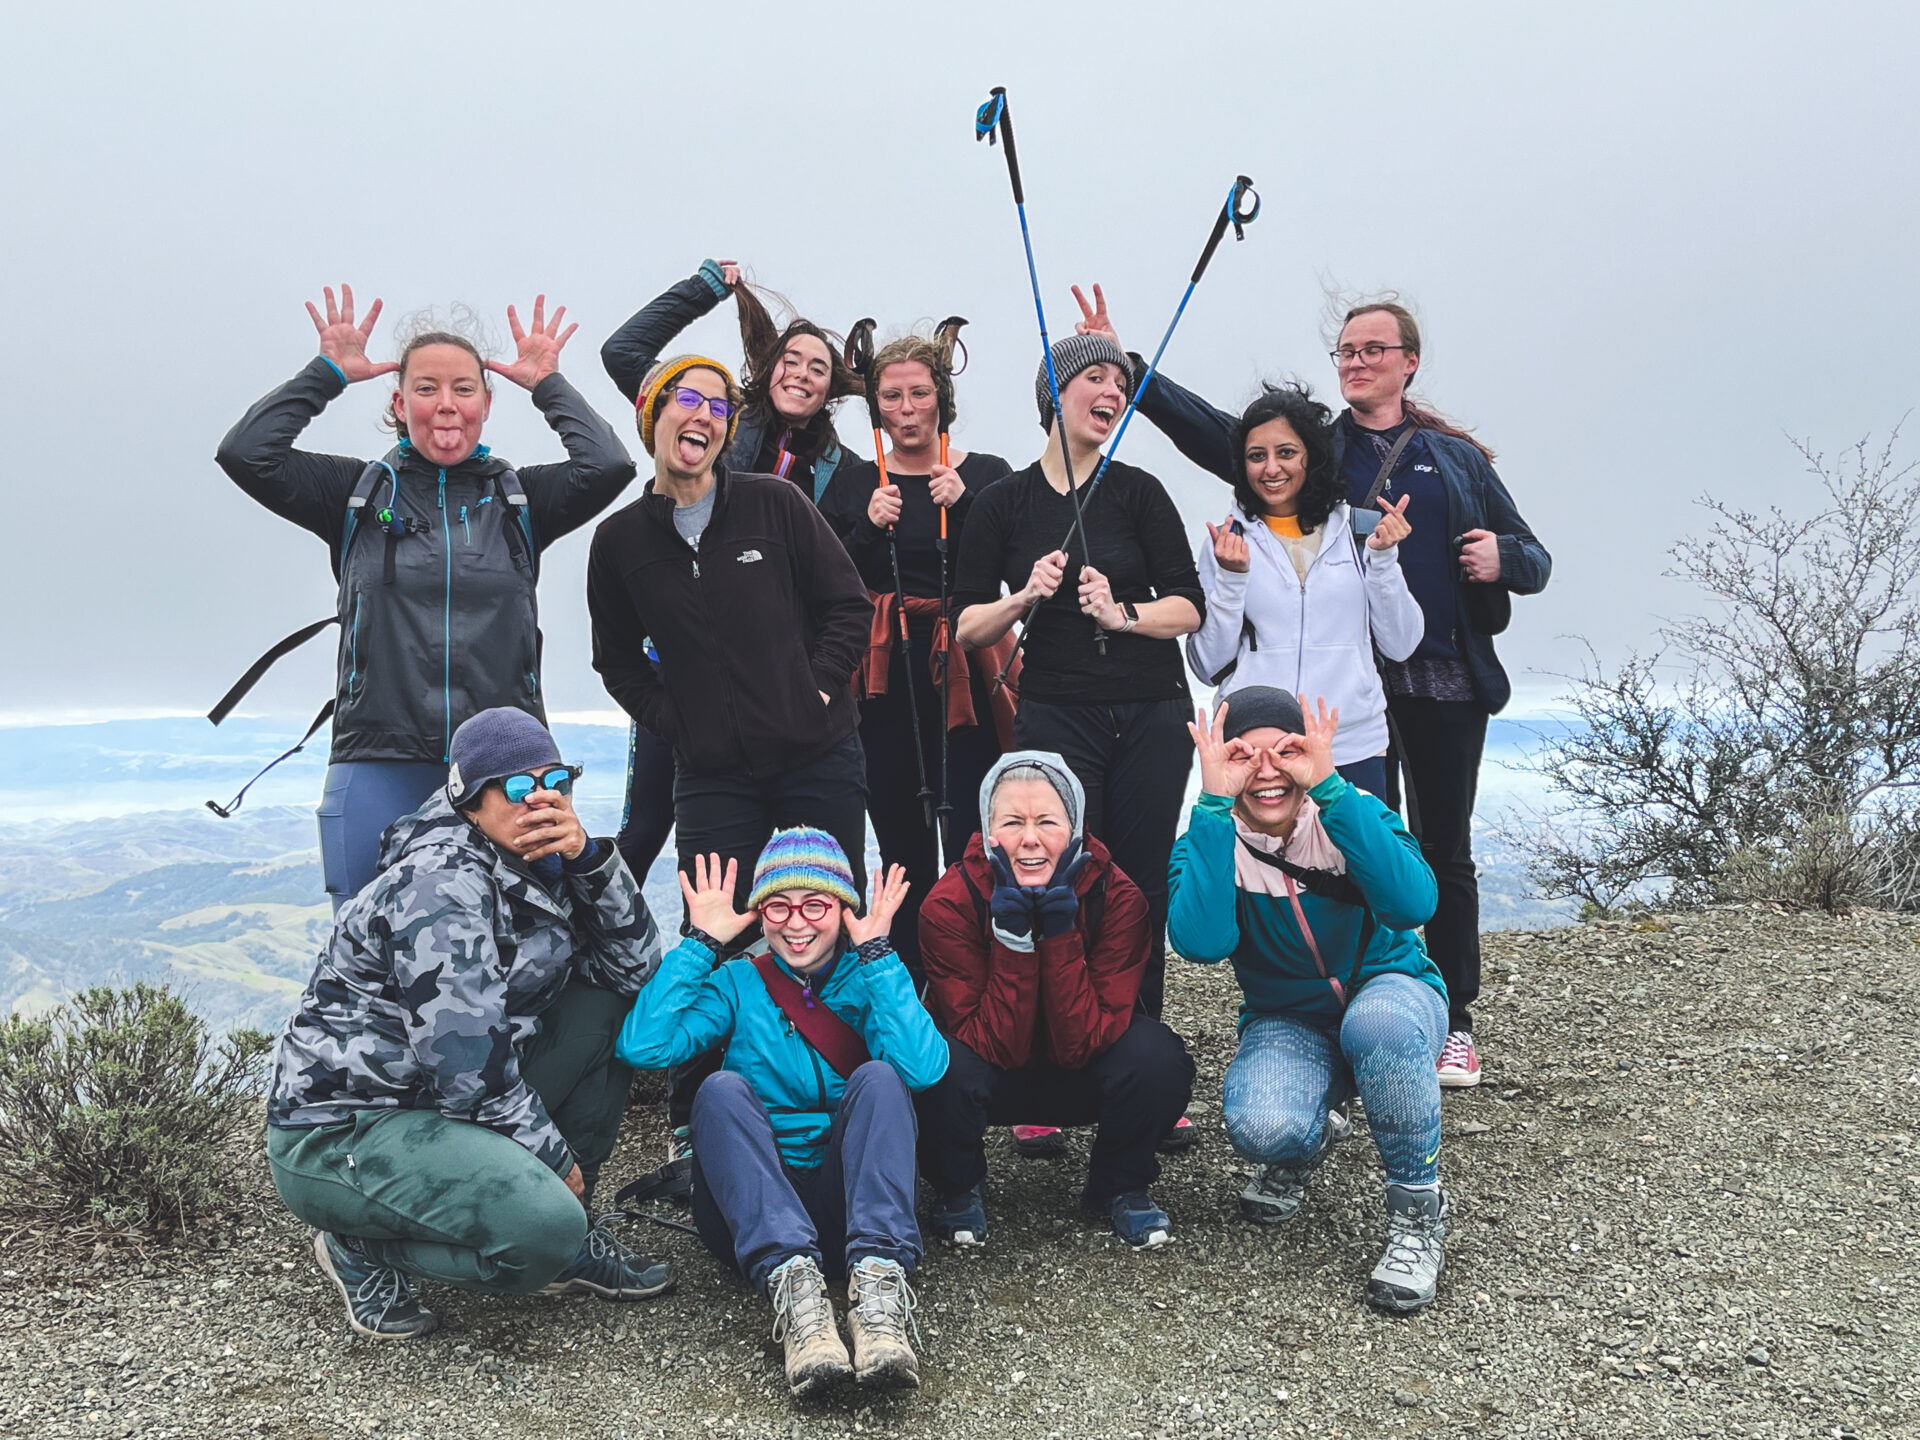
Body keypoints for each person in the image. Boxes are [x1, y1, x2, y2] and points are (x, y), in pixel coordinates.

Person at [1080, 285, 1552, 1088]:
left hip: (1420, 692)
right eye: (1347, 350)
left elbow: (1526, 556)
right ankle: (1302, 1028)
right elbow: (1220, 440)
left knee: (1418, 858)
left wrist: (1491, 559)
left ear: (1409, 362)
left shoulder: (1452, 464)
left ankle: (1435, 1017)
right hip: (1286, 726)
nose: (1358, 361)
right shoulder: (1290, 476)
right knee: (1286, 872)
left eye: (1374, 349)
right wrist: (1131, 369)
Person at [215, 286, 637, 908]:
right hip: (378, 758)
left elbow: (608, 465)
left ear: (487, 403)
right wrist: (326, 373)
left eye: (464, 389)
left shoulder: (519, 500)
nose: (446, 405)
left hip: (507, 771)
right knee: (366, 955)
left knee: (526, 954)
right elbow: (246, 454)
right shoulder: (355, 493)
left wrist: (547, 383)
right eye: (427, 388)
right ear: (398, 400)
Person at [265, 708, 671, 1340]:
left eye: (557, 779)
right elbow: (469, 1071)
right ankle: (359, 1246)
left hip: (440, 1105)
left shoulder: (540, 860)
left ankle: (564, 1229)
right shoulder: (440, 882)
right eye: (515, 785)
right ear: (469, 799)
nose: (541, 798)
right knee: (545, 1230)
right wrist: (552, 1158)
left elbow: (636, 971)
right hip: (348, 1127)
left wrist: (590, 859)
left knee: (606, 1007)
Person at [586, 354, 873, 1178]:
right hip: (711, 771)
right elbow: (616, 661)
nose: (703, 416)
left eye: (717, 404)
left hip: (818, 757)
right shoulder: (621, 541)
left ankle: (851, 1096)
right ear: (654, 420)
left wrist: (816, 690)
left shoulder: (774, 506)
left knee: (827, 921)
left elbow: (847, 606)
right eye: (686, 399)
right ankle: (697, 1123)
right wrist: (679, 723)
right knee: (715, 929)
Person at [617, 829, 948, 1398]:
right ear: (759, 913)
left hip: (851, 1211)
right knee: (719, 1090)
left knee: (882, 1077)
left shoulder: (869, 978)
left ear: (843, 909)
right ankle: (799, 1303)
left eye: (815, 905)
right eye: (778, 906)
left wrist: (878, 957)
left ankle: (878, 1297)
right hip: (753, 1213)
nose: (796, 923)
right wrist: (700, 943)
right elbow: (644, 1046)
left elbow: (924, 1070)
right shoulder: (739, 983)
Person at [1168, 687, 1451, 1313]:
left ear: (1312, 752)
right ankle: (1314, 1131)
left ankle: (1416, 1217)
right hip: (1287, 1018)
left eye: (1287, 751)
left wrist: (1331, 789)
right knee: (1265, 1127)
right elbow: (1202, 943)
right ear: (1220, 761)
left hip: (1393, 993)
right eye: (1245, 756)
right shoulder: (1206, 840)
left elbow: (1414, 905)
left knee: (1378, 1026)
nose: (1268, 771)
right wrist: (1214, 806)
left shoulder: (1354, 811)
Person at [951, 332, 1205, 1028]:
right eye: (1096, 377)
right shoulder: (1001, 503)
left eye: (1121, 383)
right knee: (1056, 874)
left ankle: (1138, 1040)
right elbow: (965, 625)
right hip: (1056, 712)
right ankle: (1053, 1041)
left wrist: (1123, 615)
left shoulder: (1139, 493)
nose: (1115, 392)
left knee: (1141, 884)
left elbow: (1188, 605)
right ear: (1055, 396)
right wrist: (1022, 597)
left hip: (1153, 711)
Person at [599, 261, 864, 900]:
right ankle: (600, 959)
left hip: (793, 713)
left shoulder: (836, 474)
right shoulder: (717, 412)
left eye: (818, 368)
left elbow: (846, 595)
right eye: (791, 360)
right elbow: (623, 352)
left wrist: (818, 686)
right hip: (693, 701)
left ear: (832, 391)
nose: (801, 374)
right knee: (648, 829)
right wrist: (707, 288)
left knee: (820, 904)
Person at [915, 751, 1195, 1249]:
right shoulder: (948, 903)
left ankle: (1120, 1183)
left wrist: (1061, 935)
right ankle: (957, 1185)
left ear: (1077, 828)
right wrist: (1013, 939)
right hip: (993, 1068)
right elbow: (988, 1044)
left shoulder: (1120, 899)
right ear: (987, 828)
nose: (1029, 839)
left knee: (1158, 1057)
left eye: (1047, 821)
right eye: (1012, 822)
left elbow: (1084, 1041)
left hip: (1080, 1064)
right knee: (933, 1063)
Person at [819, 330, 1014, 981]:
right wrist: (868, 525)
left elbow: (1013, 564)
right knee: (901, 844)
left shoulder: (984, 473)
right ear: (876, 405)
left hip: (966, 670)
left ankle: (973, 978)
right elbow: (823, 578)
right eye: (891, 395)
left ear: (941, 400)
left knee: (969, 835)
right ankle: (905, 980)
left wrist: (970, 508)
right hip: (882, 678)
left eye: (919, 393)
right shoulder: (853, 481)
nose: (905, 408)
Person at [1185, 382, 1423, 796]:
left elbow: (1401, 645)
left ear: (1311, 455)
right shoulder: (1227, 541)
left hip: (1351, 746)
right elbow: (1206, 666)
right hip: (1254, 752)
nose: (1271, 468)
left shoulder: (1361, 532)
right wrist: (1230, 579)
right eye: (1257, 456)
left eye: (1286, 453)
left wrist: (1384, 561)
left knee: (1356, 861)